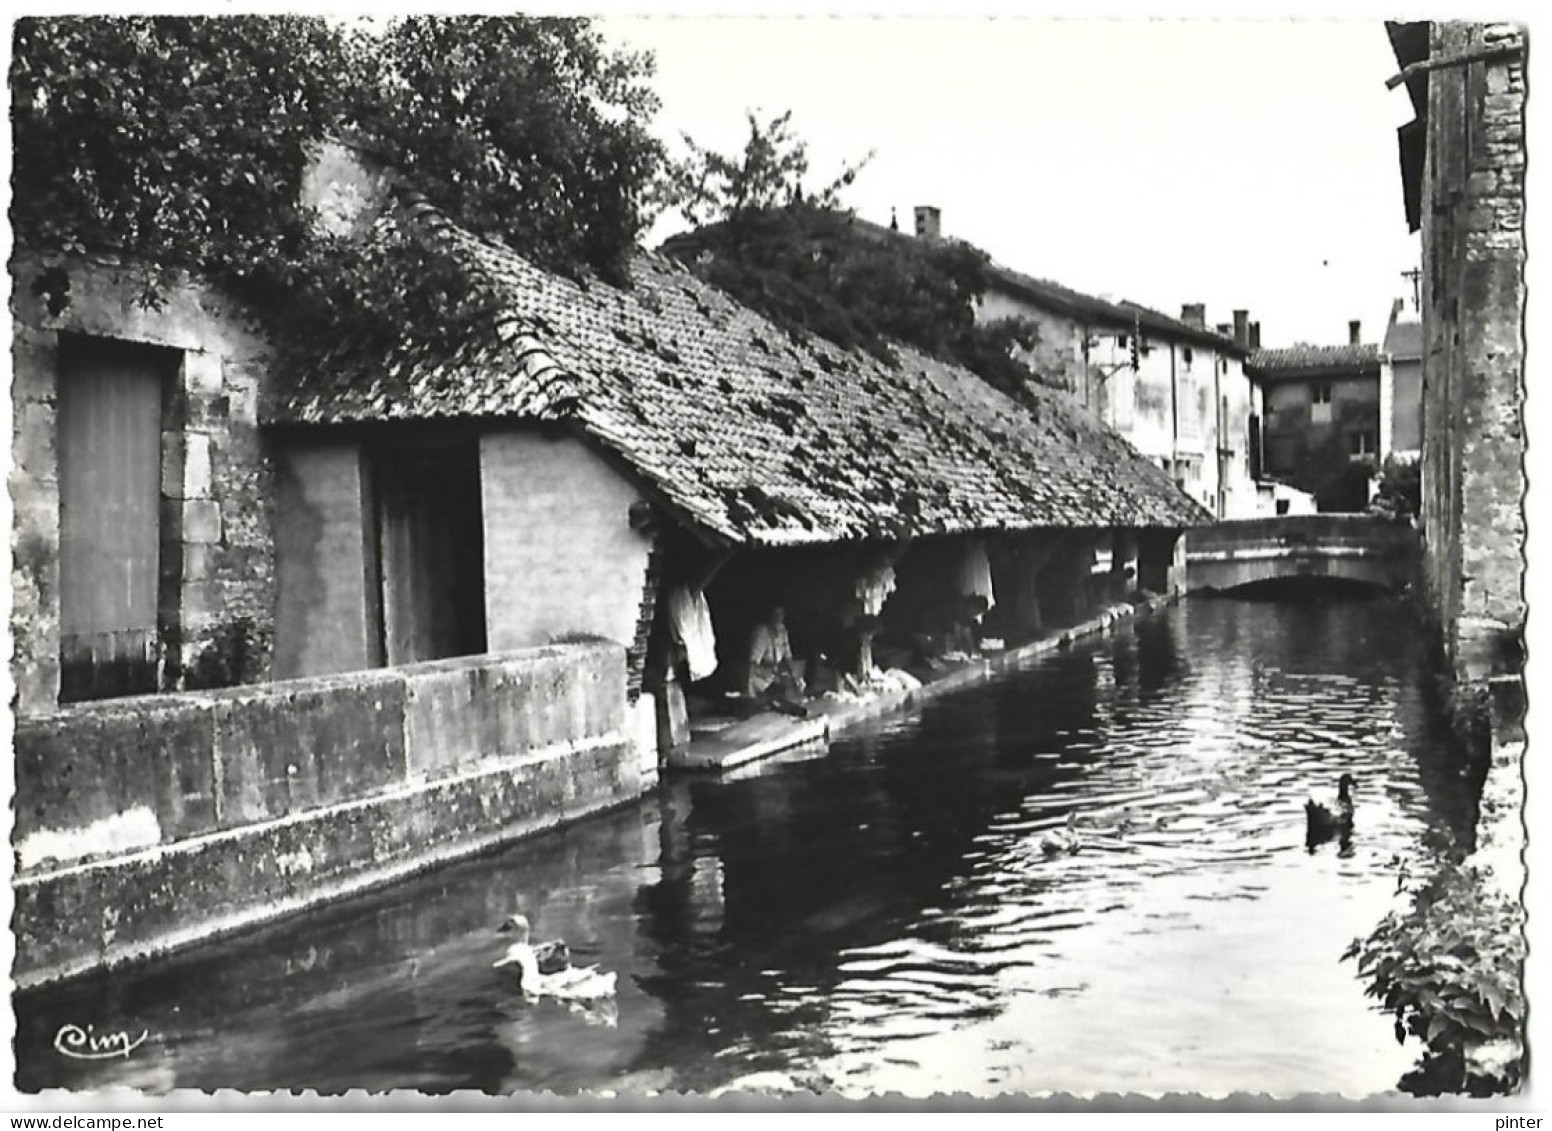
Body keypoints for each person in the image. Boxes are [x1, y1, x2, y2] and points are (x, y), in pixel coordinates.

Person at [745, 606, 808, 716]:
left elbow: (788, 657)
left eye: (781, 614)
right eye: (776, 614)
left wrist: (797, 677)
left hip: (773, 678)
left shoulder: (782, 630)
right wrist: (764, 674)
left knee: (787, 688)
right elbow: (751, 666)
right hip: (759, 679)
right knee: (771, 700)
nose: (779, 618)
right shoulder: (762, 632)